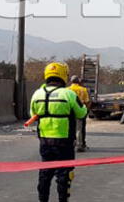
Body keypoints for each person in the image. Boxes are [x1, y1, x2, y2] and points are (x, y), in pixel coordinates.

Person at [31, 62, 88, 202]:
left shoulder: (37, 94)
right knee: (64, 175)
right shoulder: (68, 94)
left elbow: (32, 114)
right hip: (64, 142)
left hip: (44, 141)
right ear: (63, 75)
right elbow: (82, 113)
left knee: (45, 173)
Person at [68, 75, 90, 152]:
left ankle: (70, 144)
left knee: (70, 128)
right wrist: (86, 111)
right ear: (79, 81)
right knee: (79, 129)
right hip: (80, 111)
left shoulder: (67, 90)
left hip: (69, 111)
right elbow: (87, 101)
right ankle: (80, 145)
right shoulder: (83, 89)